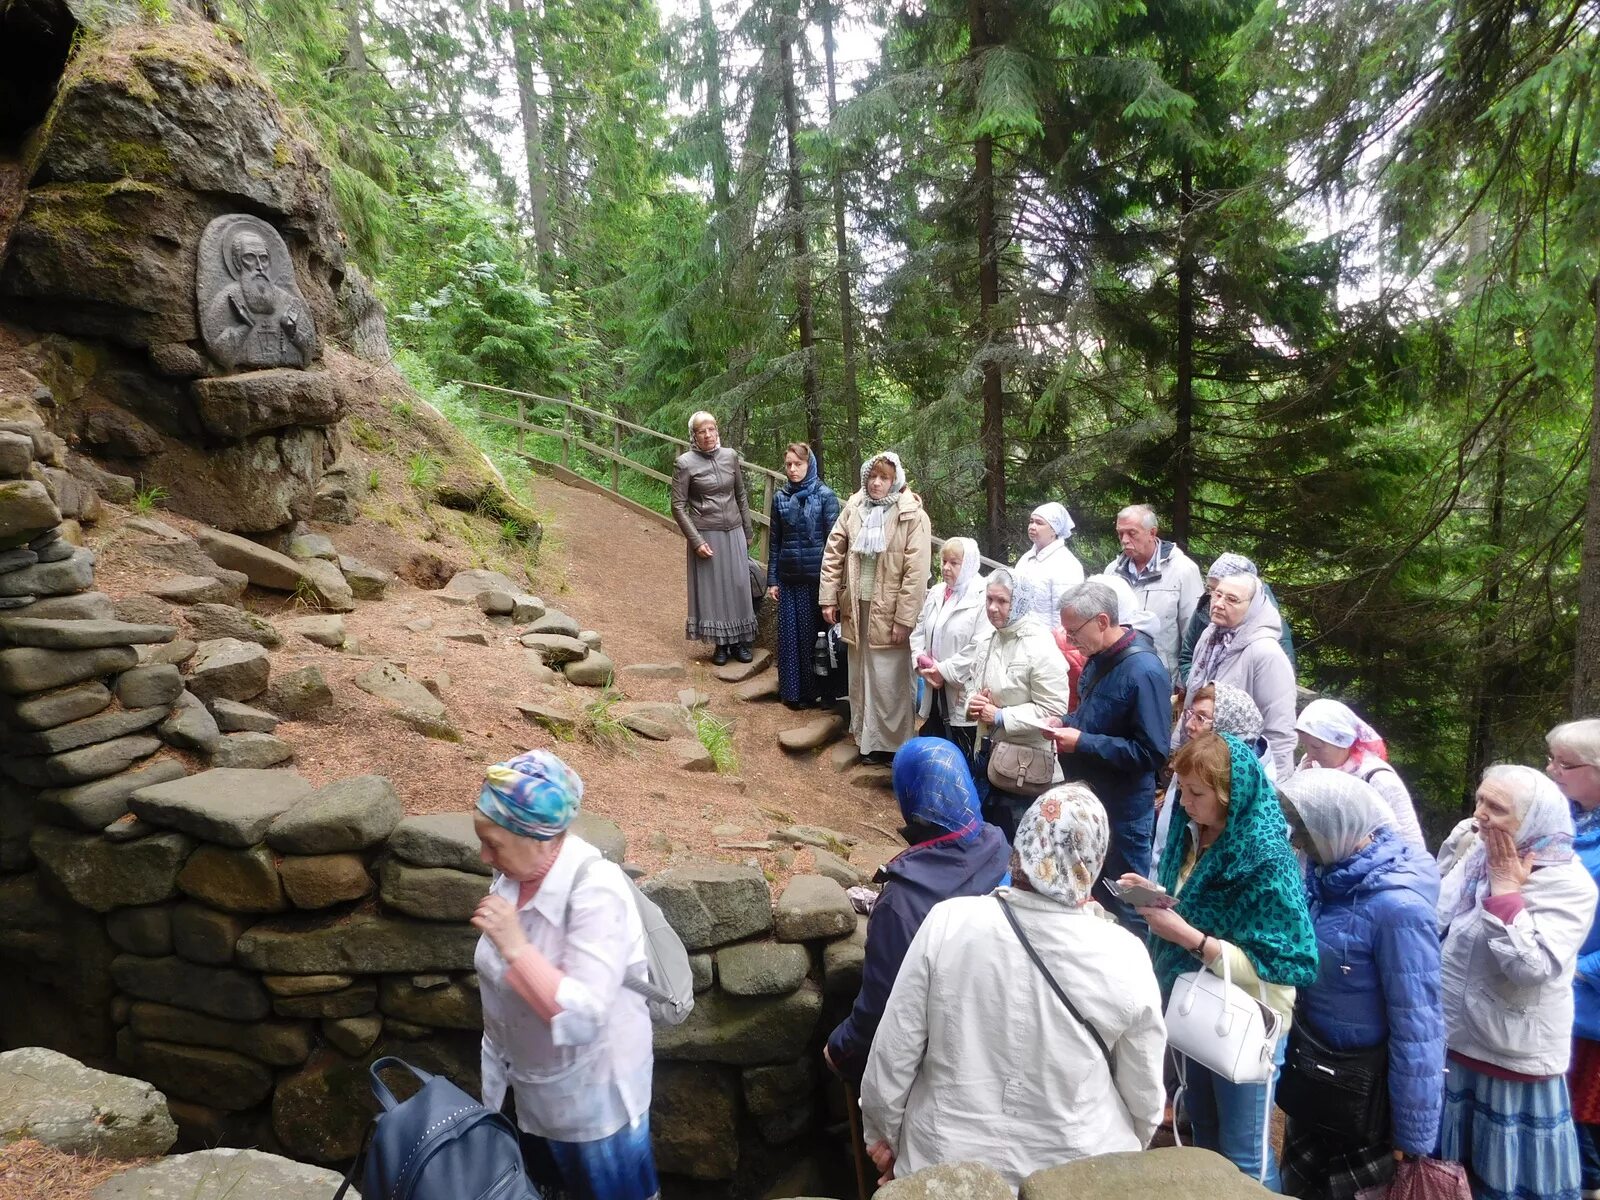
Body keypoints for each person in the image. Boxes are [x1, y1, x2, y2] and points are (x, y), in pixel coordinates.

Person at [859, 785, 1167, 1189]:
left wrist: (884, 1137)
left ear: (1021, 845)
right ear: (1091, 863)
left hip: (947, 1165)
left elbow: (892, 1056)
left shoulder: (949, 923)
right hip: (1074, 1171)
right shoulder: (1126, 955)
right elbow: (1145, 1095)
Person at [1126, 731, 1319, 1186]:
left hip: (1251, 1017)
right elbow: (1193, 900)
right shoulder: (1192, 832)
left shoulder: (1266, 858)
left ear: (1231, 796)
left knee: (1244, 1159)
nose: (1185, 803)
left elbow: (1287, 964)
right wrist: (1155, 896)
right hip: (1199, 1002)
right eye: (1182, 790)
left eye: (1196, 793)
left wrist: (1188, 937)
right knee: (1206, 1140)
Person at [470, 750, 658, 1200]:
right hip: (526, 1088)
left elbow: (584, 1015)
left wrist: (516, 949)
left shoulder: (598, 892)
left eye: (493, 843)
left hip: (593, 1107)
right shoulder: (515, 875)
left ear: (538, 838)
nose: (483, 856)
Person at [1275, 771, 1446, 1200]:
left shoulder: (1398, 908)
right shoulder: (1323, 878)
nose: (1296, 841)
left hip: (1364, 1101)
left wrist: (1414, 1134)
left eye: (1304, 828)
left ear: (1337, 825)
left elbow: (1419, 1026)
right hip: (1314, 1077)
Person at [1435, 764, 1598, 1200]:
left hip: (1509, 1058)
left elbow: (1532, 967)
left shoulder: (1569, 883)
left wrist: (1506, 895)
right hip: (1454, 1040)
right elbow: (1439, 917)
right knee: (1447, 1179)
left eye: (1498, 808)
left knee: (1503, 1182)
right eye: (1481, 800)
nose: (1481, 814)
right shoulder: (1480, 853)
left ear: (1535, 820)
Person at [825, 738, 1012, 1088]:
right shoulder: (997, 845)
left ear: (909, 799)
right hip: (996, 1040)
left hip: (936, 1068)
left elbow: (881, 1008)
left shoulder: (902, 902)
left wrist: (841, 1050)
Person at [1043, 577, 1171, 934]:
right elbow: (1097, 717)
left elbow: (1153, 753)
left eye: (1074, 632)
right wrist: (1064, 723)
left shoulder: (1145, 672)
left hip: (1125, 811)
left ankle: (1140, 972)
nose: (1070, 641)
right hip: (1090, 800)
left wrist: (1082, 742)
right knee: (1091, 887)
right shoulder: (1098, 658)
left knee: (1130, 901)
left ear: (1102, 621)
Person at [820, 451, 933, 761]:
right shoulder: (854, 510)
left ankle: (893, 745)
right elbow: (833, 553)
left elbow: (916, 572)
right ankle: (865, 737)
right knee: (861, 675)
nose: (877, 483)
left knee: (889, 678)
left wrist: (904, 619)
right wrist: (829, 597)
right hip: (858, 606)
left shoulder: (912, 516)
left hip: (891, 611)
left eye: (884, 477)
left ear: (895, 480)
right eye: (872, 477)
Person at [961, 569, 1072, 840]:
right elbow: (972, 685)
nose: (992, 608)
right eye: (989, 599)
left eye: (1002, 601)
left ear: (1019, 601)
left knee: (1018, 841)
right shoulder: (989, 638)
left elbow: (1054, 710)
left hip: (1024, 767)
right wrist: (972, 702)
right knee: (985, 838)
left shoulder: (1039, 644)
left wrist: (1000, 715)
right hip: (986, 756)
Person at [1547, 720, 1600, 1200]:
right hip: (1554, 1003)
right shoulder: (1565, 817)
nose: (1551, 770)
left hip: (1590, 1013)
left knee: (1586, 1130)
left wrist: (1579, 971)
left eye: (1566, 764)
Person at [1183, 570, 1298, 777]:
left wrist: (1274, 790)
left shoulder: (1266, 653)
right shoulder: (1210, 637)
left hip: (1238, 773)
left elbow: (1279, 731)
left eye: (1232, 599)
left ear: (1252, 607)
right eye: (1217, 594)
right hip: (1201, 763)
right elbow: (1193, 699)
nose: (1218, 603)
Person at [1153, 682, 1269, 873]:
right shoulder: (1193, 762)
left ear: (1229, 726)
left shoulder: (1254, 793)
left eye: (1201, 718)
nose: (1189, 725)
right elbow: (1164, 840)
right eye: (1190, 714)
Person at [671, 411, 756, 666]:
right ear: (694, 435)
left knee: (739, 585)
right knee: (716, 589)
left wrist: (748, 530)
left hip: (734, 529)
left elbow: (740, 495)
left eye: (711, 429)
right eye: (701, 431)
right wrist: (696, 541)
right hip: (707, 532)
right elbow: (677, 506)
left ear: (717, 430)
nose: (708, 435)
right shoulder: (685, 463)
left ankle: (740, 641)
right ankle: (721, 644)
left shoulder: (730, 456)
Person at [766, 442, 841, 709]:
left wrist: (833, 587)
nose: (793, 469)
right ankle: (792, 693)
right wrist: (772, 579)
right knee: (790, 640)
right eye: (788, 465)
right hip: (789, 579)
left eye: (798, 464)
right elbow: (775, 541)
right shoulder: (780, 498)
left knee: (816, 640)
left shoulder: (825, 496)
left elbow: (836, 545)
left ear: (810, 465)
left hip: (816, 581)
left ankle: (819, 693)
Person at [1294, 698, 1426, 850]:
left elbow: (1412, 845)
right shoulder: (1311, 765)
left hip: (1370, 870)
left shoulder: (1379, 781)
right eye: (1305, 745)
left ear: (1343, 742)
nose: (1309, 753)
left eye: (1316, 747)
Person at [1106, 504, 1204, 688]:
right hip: (1117, 676)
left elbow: (1193, 632)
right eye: (1120, 533)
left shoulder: (1183, 570)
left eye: (1132, 533)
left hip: (1162, 677)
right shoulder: (1112, 571)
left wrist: (1187, 681)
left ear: (1152, 533)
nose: (1124, 540)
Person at [910, 537, 989, 758]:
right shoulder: (937, 592)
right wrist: (921, 662)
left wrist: (943, 671)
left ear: (970, 564)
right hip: (934, 689)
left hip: (962, 692)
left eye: (954, 563)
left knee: (959, 753)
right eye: (944, 561)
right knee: (933, 749)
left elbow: (979, 647)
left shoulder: (983, 597)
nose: (946, 568)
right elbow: (919, 630)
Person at [1179, 553, 1297, 682]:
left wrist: (1218, 696)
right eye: (1213, 590)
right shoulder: (1203, 611)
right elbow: (1187, 656)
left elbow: (1279, 682)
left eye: (1230, 598)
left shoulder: (1270, 630)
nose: (1216, 601)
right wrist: (1195, 688)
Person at [1011, 502, 1084, 626]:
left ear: (1054, 530)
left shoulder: (1066, 564)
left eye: (1039, 523)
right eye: (1031, 521)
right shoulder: (1026, 559)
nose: (1032, 526)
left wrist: (1055, 643)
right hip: (1020, 636)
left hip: (1046, 640)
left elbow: (1064, 615)